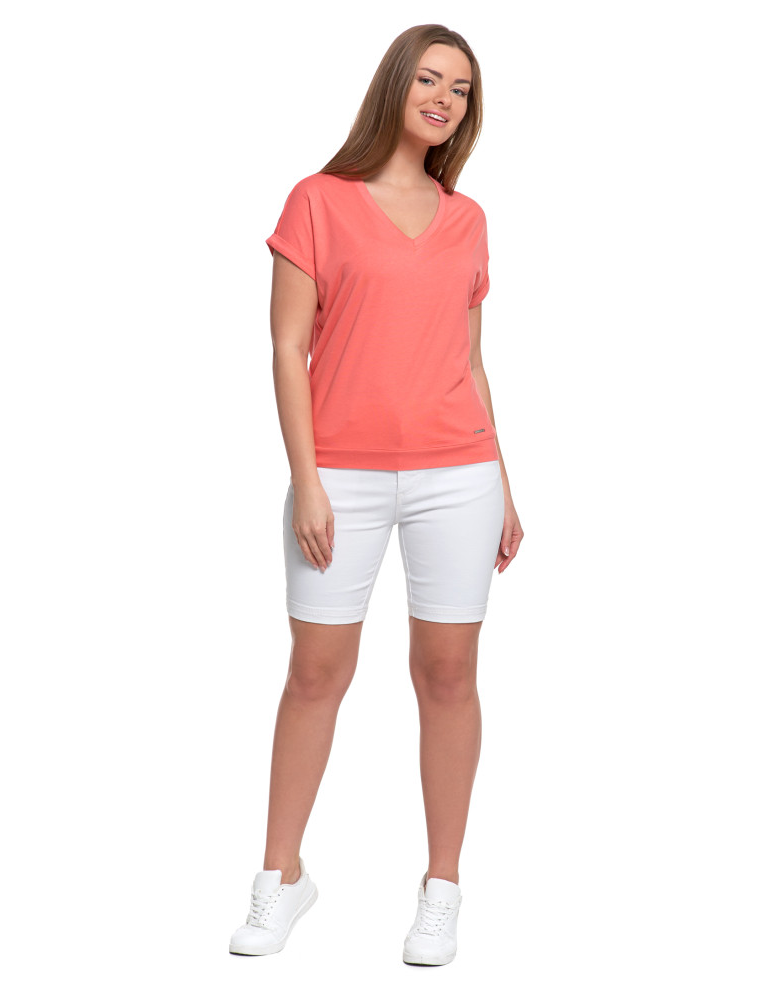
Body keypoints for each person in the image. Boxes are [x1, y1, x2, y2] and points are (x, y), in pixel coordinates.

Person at [229, 23, 524, 966]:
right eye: (430, 79)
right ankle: (281, 876)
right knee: (315, 674)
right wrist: (307, 480)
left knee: (448, 676)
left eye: (461, 90)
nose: (445, 99)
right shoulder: (318, 200)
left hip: (458, 475)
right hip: (341, 478)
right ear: (395, 85)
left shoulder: (468, 219)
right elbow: (287, 347)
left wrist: (504, 484)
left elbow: (471, 364)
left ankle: (442, 889)